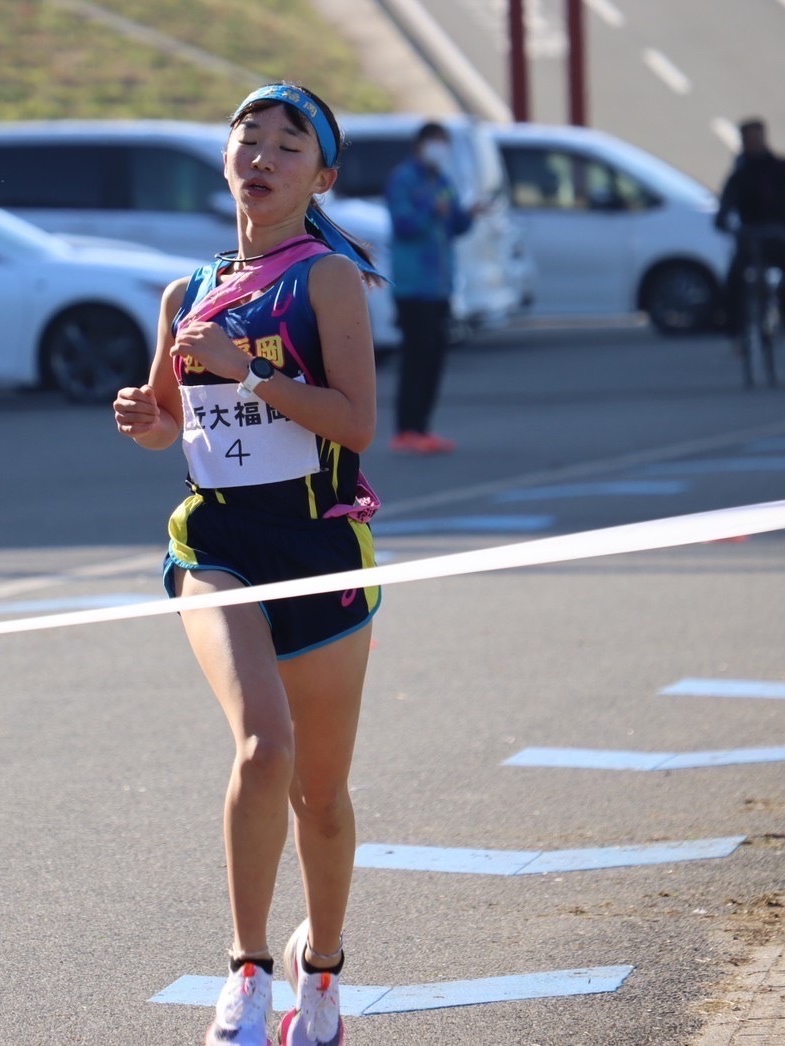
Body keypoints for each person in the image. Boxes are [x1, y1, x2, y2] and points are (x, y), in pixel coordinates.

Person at [112, 82, 383, 1046]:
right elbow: (170, 422)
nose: (262, 157)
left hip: (317, 546)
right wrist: (146, 420)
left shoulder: (327, 281)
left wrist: (251, 371)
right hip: (217, 543)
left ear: (321, 178)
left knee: (321, 794)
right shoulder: (184, 294)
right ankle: (247, 969)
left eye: (288, 145)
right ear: (227, 160)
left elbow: (356, 424)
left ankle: (323, 971)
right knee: (264, 748)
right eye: (249, 139)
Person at [384, 121, 477, 455]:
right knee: (416, 356)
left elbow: (456, 224)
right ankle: (405, 429)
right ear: (420, 145)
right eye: (435, 141)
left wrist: (469, 214)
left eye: (444, 142)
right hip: (413, 286)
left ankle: (422, 427)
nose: (440, 149)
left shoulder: (442, 181)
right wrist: (430, 210)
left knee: (435, 357)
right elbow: (403, 225)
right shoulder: (404, 179)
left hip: (440, 285)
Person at [716, 118, 785, 336]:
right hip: (751, 236)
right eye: (749, 139)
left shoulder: (780, 166)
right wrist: (722, 220)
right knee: (735, 278)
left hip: (781, 234)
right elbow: (727, 201)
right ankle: (734, 327)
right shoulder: (740, 174)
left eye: (757, 138)